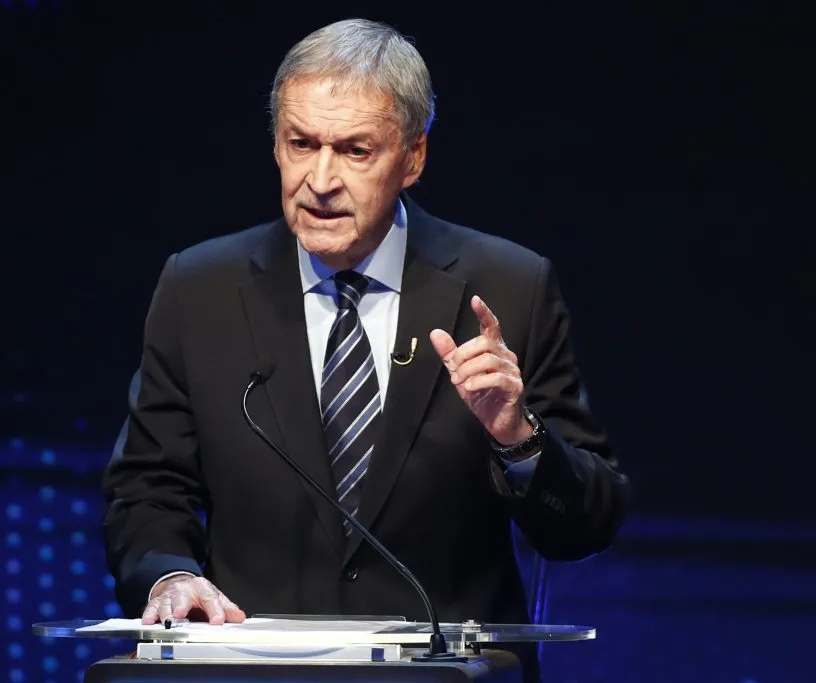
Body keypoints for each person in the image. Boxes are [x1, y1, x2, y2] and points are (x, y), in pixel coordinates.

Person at [102, 18, 629, 681]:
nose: (320, 179)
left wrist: (517, 437)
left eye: (355, 151)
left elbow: (587, 523)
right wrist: (169, 577)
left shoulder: (509, 286)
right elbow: (148, 489)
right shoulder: (199, 289)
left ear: (413, 157)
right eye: (301, 144)